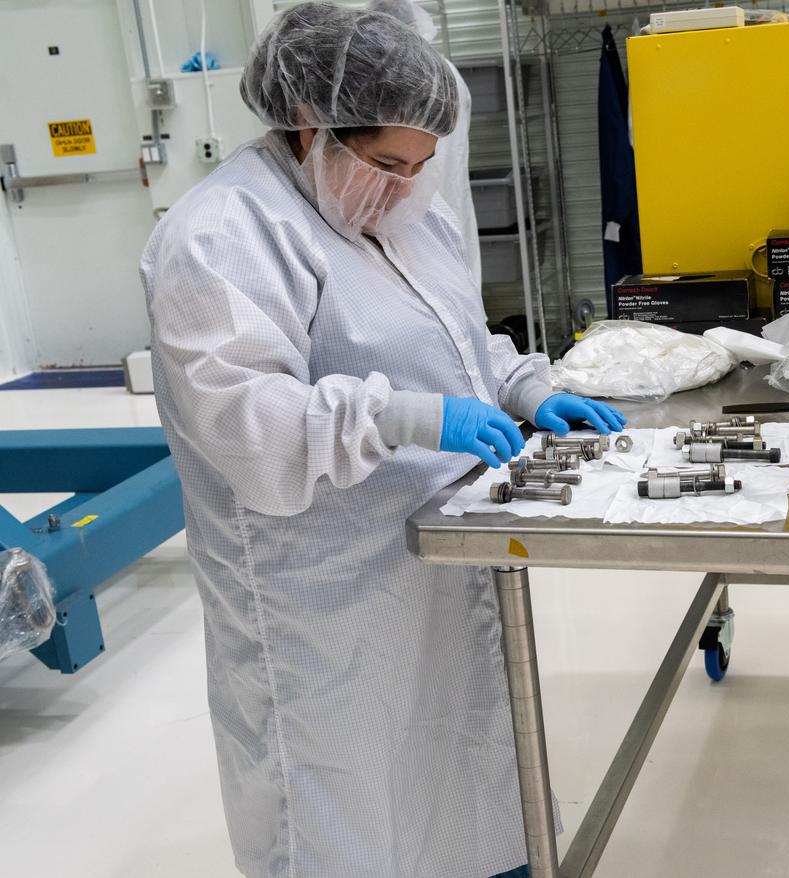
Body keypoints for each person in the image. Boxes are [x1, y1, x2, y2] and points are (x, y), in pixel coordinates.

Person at [139, 3, 624, 876]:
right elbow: (246, 421)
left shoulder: (400, 211)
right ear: (308, 128)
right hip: (318, 596)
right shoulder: (221, 237)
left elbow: (450, 334)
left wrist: (523, 386)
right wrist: (409, 416)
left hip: (434, 560)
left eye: (423, 165)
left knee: (468, 756)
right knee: (346, 801)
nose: (408, 186)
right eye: (389, 162)